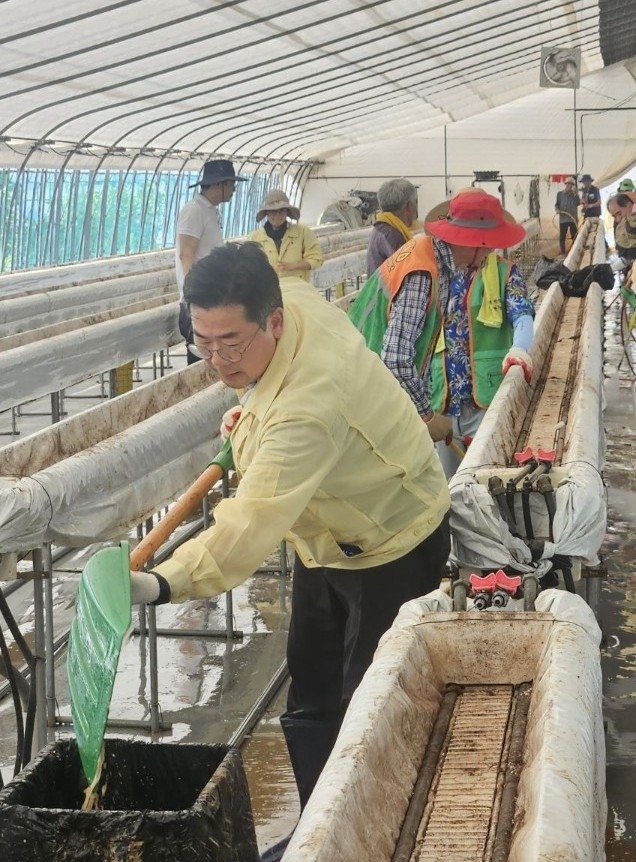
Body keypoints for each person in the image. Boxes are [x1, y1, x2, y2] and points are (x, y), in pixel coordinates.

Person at [130, 242, 450, 861]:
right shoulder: (290, 296)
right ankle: (317, 831)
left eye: (231, 344)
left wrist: (161, 583)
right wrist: (248, 410)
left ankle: (365, 841)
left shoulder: (308, 407)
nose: (217, 360)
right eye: (203, 342)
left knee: (371, 705)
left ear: (272, 321)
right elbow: (262, 375)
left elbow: (247, 525)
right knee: (311, 688)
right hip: (325, 537)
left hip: (392, 539)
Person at [349, 189, 535, 479]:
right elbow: (396, 357)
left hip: (374, 385)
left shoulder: (432, 258)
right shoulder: (422, 272)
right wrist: (427, 414)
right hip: (365, 389)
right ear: (475, 241)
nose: (490, 253)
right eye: (488, 246)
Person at [175, 159, 247, 362]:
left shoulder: (209, 211)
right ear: (218, 184)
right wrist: (193, 297)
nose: (233, 189)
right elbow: (186, 254)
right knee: (201, 361)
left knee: (214, 360)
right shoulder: (194, 211)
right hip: (199, 302)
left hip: (210, 299)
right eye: (231, 184)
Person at [248, 189, 323, 282]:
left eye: (282, 210)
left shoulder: (303, 232)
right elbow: (249, 266)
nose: (277, 215)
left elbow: (316, 259)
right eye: (273, 211)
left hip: (297, 287)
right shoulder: (254, 238)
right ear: (267, 212)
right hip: (266, 289)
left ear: (287, 212)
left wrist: (293, 266)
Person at [366, 178, 418, 275]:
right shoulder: (392, 235)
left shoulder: (382, 227)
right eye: (415, 202)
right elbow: (409, 271)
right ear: (409, 206)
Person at [607, 192, 636, 263]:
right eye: (614, 216)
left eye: (619, 213)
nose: (618, 219)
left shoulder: (630, 222)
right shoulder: (620, 223)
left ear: (629, 205)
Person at [555, 177, 580, 255]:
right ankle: (562, 252)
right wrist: (557, 209)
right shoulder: (559, 194)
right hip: (563, 219)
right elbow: (556, 204)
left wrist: (576, 194)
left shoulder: (575, 195)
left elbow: (578, 203)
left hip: (573, 219)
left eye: (571, 184)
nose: (570, 185)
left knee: (575, 236)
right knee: (562, 237)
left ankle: (574, 252)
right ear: (565, 184)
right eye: (568, 183)